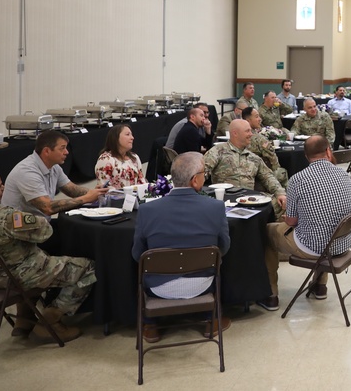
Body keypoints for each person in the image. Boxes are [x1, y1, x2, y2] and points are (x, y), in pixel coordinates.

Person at [0, 167, 96, 343]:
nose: (3, 189)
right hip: (20, 275)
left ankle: (23, 318)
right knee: (89, 267)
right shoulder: (7, 218)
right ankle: (50, 321)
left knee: (38, 255)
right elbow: (45, 231)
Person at [132, 153, 231, 341]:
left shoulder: (146, 211)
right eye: (204, 173)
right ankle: (212, 320)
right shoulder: (216, 208)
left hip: (157, 287)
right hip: (203, 284)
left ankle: (151, 325)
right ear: (195, 180)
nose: (205, 176)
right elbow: (224, 248)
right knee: (218, 263)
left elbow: (137, 254)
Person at [262, 136, 351, 310]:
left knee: (268, 232)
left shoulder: (297, 179)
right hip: (343, 244)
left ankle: (271, 295)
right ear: (328, 151)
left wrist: (292, 218)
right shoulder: (345, 175)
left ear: (306, 156)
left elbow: (291, 221)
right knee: (325, 227)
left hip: (313, 248)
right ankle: (320, 286)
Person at [1, 130, 108, 218]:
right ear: (46, 151)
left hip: (38, 226)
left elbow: (71, 189)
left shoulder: (54, 167)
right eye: (62, 148)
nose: (67, 152)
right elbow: (48, 208)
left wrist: (95, 193)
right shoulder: (27, 171)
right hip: (18, 231)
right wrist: (86, 198)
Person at [203, 119, 287, 211]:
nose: (251, 134)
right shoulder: (218, 151)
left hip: (249, 199)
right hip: (226, 200)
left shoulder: (254, 157)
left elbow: (268, 177)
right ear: (235, 133)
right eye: (247, 131)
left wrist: (280, 193)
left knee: (285, 203)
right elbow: (202, 171)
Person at [244, 107, 288, 186]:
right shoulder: (260, 139)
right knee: (282, 172)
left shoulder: (237, 137)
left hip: (242, 173)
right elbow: (273, 159)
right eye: (257, 117)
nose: (260, 119)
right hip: (260, 175)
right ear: (248, 121)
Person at [94, 123, 145, 189]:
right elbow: (104, 187)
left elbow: (141, 181)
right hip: (115, 198)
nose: (132, 138)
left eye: (131, 135)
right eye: (127, 134)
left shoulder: (134, 157)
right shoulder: (106, 159)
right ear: (116, 138)